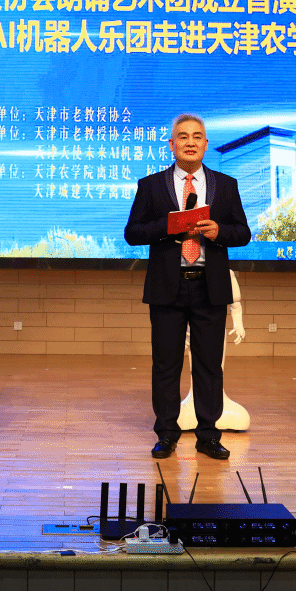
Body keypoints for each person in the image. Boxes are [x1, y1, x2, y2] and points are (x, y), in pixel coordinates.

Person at [124, 113, 252, 460]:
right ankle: (167, 434)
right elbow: (133, 233)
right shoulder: (151, 185)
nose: (190, 142)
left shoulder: (226, 185)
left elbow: (242, 232)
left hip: (209, 286)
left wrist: (219, 232)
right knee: (166, 365)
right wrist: (169, 227)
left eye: (197, 136)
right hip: (168, 286)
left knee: (209, 365)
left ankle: (208, 435)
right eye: (183, 136)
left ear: (206, 144)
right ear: (172, 144)